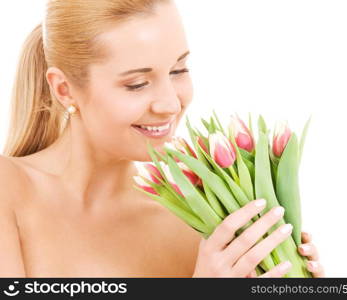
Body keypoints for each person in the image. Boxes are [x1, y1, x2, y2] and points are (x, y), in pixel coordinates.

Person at [0, 0, 324, 278]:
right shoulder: (9, 189)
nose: (170, 104)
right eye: (138, 84)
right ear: (64, 89)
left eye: (178, 70)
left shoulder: (199, 229)